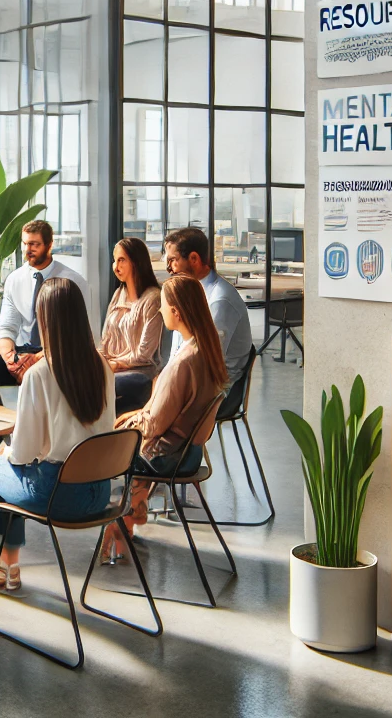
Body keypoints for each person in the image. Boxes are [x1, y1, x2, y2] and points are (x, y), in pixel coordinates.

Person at [0, 278, 115, 593]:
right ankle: (5, 565)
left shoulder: (40, 374)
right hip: (99, 492)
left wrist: (6, 453)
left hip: (60, 496)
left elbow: (23, 454)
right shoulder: (102, 367)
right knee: (14, 472)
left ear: (45, 320)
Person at [100, 273, 228, 562]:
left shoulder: (183, 362)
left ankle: (122, 517)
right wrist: (137, 415)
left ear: (177, 312)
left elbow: (155, 425)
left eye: (163, 305)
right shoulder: (207, 351)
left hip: (165, 456)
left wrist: (124, 422)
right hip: (189, 454)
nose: (159, 310)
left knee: (101, 447)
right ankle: (131, 513)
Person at [0, 220, 91, 456]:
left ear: (49, 245)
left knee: (38, 375)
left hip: (60, 352)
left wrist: (38, 358)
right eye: (25, 244)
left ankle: (38, 447)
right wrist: (10, 358)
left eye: (34, 244)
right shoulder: (15, 279)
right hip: (24, 351)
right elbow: (6, 327)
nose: (28, 250)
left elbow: (79, 334)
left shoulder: (72, 281)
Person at [162, 226, 252, 388]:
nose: (169, 269)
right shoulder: (190, 291)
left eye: (173, 260)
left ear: (194, 259)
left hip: (213, 389)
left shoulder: (220, 300)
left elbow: (205, 360)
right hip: (190, 377)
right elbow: (179, 351)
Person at [100, 237, 164, 416]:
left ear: (136, 262)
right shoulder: (119, 294)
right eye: (115, 260)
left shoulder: (153, 298)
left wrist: (115, 364)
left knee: (97, 387)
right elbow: (105, 338)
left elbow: (144, 354)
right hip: (113, 367)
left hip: (140, 372)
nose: (115, 266)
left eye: (121, 260)